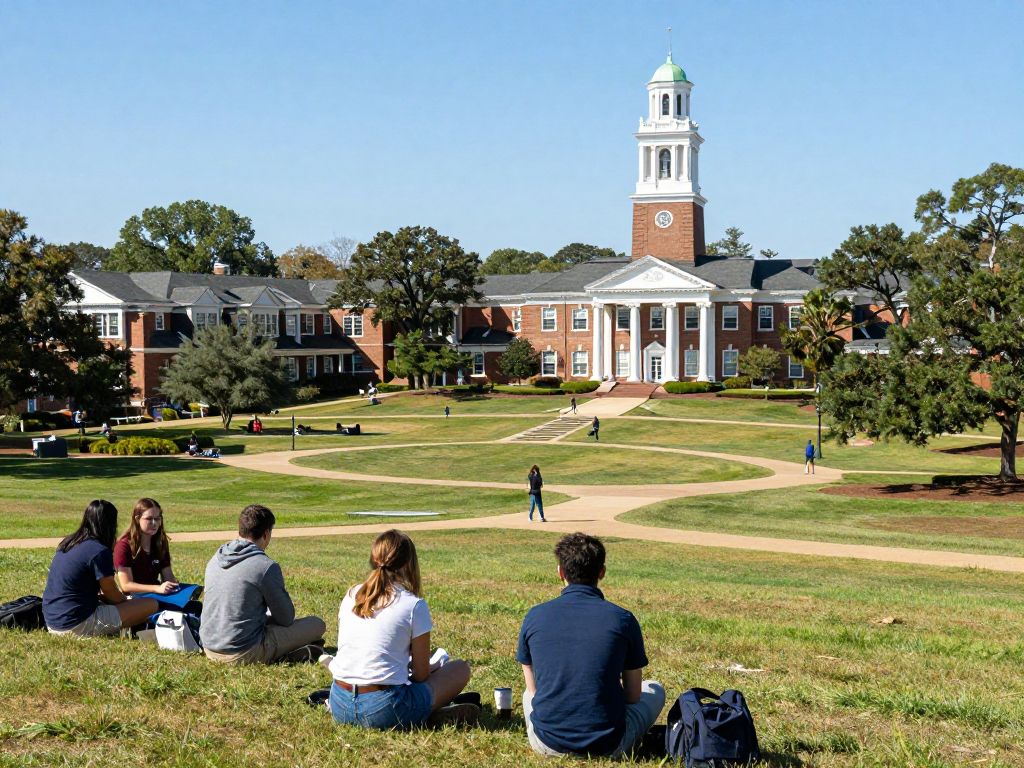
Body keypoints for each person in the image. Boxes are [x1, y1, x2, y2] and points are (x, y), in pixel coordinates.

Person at [516, 533, 664, 758]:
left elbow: (534, 690)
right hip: (608, 745)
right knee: (655, 689)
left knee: (528, 695)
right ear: (602, 572)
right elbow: (633, 696)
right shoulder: (622, 619)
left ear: (560, 573)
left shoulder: (535, 616)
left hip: (546, 743)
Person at [328, 530, 477, 729]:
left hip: (340, 704)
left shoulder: (351, 594)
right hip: (384, 708)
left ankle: (426, 713)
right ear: (408, 564)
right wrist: (430, 668)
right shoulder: (413, 605)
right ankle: (427, 713)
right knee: (460, 669)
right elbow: (420, 675)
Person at [200, 504, 326, 665]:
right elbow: (286, 618)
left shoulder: (217, 557)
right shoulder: (265, 566)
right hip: (241, 651)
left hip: (209, 646)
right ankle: (289, 653)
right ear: (266, 534)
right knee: (316, 624)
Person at [42, 500, 159, 636]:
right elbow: (111, 593)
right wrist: (127, 602)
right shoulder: (99, 551)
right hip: (76, 625)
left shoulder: (68, 542)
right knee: (151, 605)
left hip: (52, 621)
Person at [114, 498, 179, 595]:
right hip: (135, 599)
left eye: (157, 518)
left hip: (157, 594)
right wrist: (156, 588)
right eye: (149, 519)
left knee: (195, 606)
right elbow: (126, 586)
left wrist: (175, 586)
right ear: (137, 519)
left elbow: (168, 576)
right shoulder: (124, 545)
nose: (154, 523)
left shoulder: (160, 542)